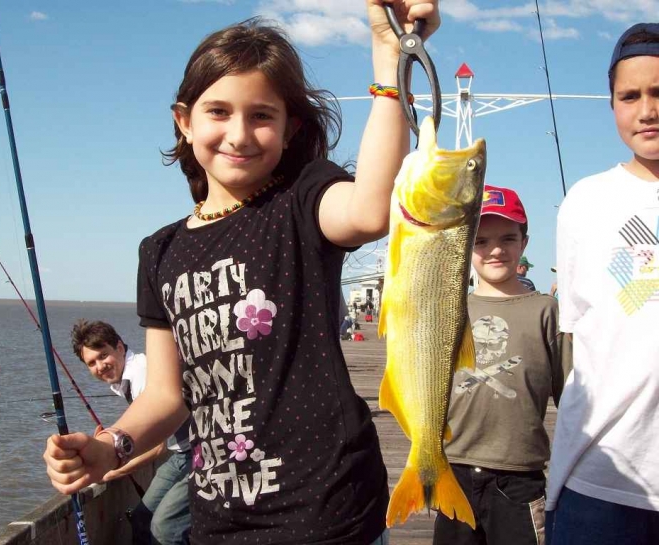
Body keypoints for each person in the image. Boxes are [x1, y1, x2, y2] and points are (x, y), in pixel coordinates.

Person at [43, 3, 442, 544]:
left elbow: (371, 211)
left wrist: (390, 58)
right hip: (220, 520)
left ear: (288, 126)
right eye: (218, 112)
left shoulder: (302, 200)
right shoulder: (158, 251)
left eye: (261, 115)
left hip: (330, 511)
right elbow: (165, 394)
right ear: (183, 121)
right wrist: (110, 445)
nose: (239, 133)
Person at [545, 23, 659, 545]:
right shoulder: (585, 203)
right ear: (611, 103)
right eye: (629, 96)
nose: (646, 109)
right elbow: (579, 329)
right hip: (600, 480)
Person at [433, 184, 572, 545]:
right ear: (466, 246)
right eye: (481, 241)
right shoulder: (449, 308)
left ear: (524, 243)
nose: (495, 250)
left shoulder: (547, 311)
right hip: (453, 470)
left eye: (508, 238)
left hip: (520, 478)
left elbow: (571, 395)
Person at [71, 320, 192, 545]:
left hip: (200, 454)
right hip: (181, 455)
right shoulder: (126, 377)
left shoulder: (140, 375)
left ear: (119, 347)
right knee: (141, 518)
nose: (100, 366)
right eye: (91, 363)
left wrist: (114, 468)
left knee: (165, 528)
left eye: (103, 355)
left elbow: (157, 446)